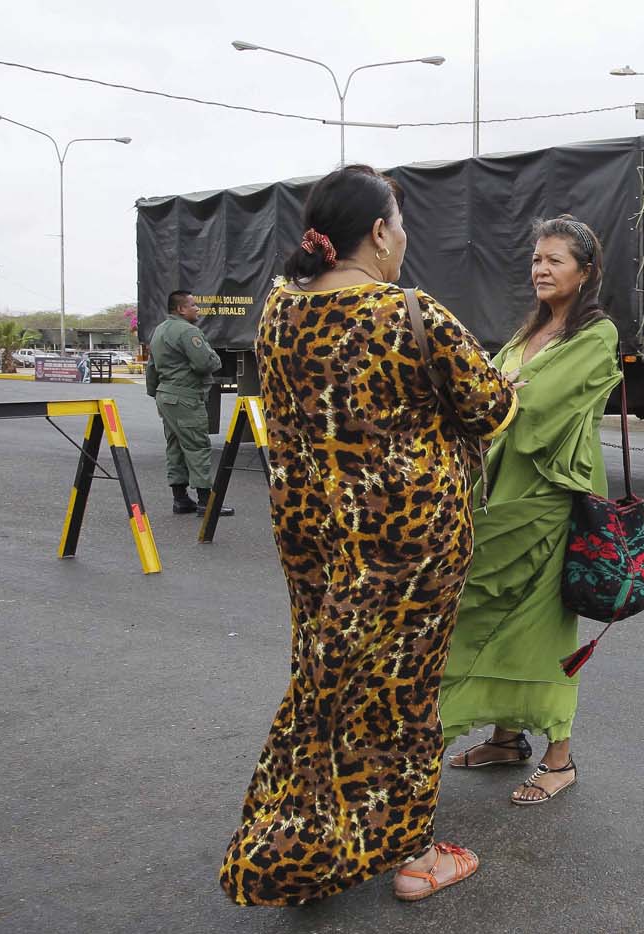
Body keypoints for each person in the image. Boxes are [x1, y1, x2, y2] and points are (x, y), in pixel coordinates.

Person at [219, 165, 517, 907]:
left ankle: (311, 844)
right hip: (407, 547)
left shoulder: (278, 310)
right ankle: (413, 856)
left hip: (313, 540)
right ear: (380, 232)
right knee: (402, 693)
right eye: (401, 223)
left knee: (329, 679)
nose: (405, 236)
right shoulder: (408, 313)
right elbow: (489, 407)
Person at [441, 216, 622, 806]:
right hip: (497, 494)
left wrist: (501, 390)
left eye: (556, 261)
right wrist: (498, 390)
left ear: (585, 272)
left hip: (547, 499)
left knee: (540, 632)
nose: (542, 269)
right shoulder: (529, 333)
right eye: (537, 259)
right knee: (481, 617)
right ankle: (506, 737)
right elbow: (483, 391)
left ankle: (559, 757)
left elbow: (533, 405)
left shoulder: (597, 335)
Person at [146, 292, 233, 517]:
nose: (198, 309)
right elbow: (206, 363)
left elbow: (151, 368)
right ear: (181, 309)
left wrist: (156, 393)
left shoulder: (160, 330)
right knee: (197, 447)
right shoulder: (188, 331)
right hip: (185, 396)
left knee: (175, 447)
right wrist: (215, 357)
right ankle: (206, 502)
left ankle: (180, 499)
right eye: (194, 305)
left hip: (166, 395)